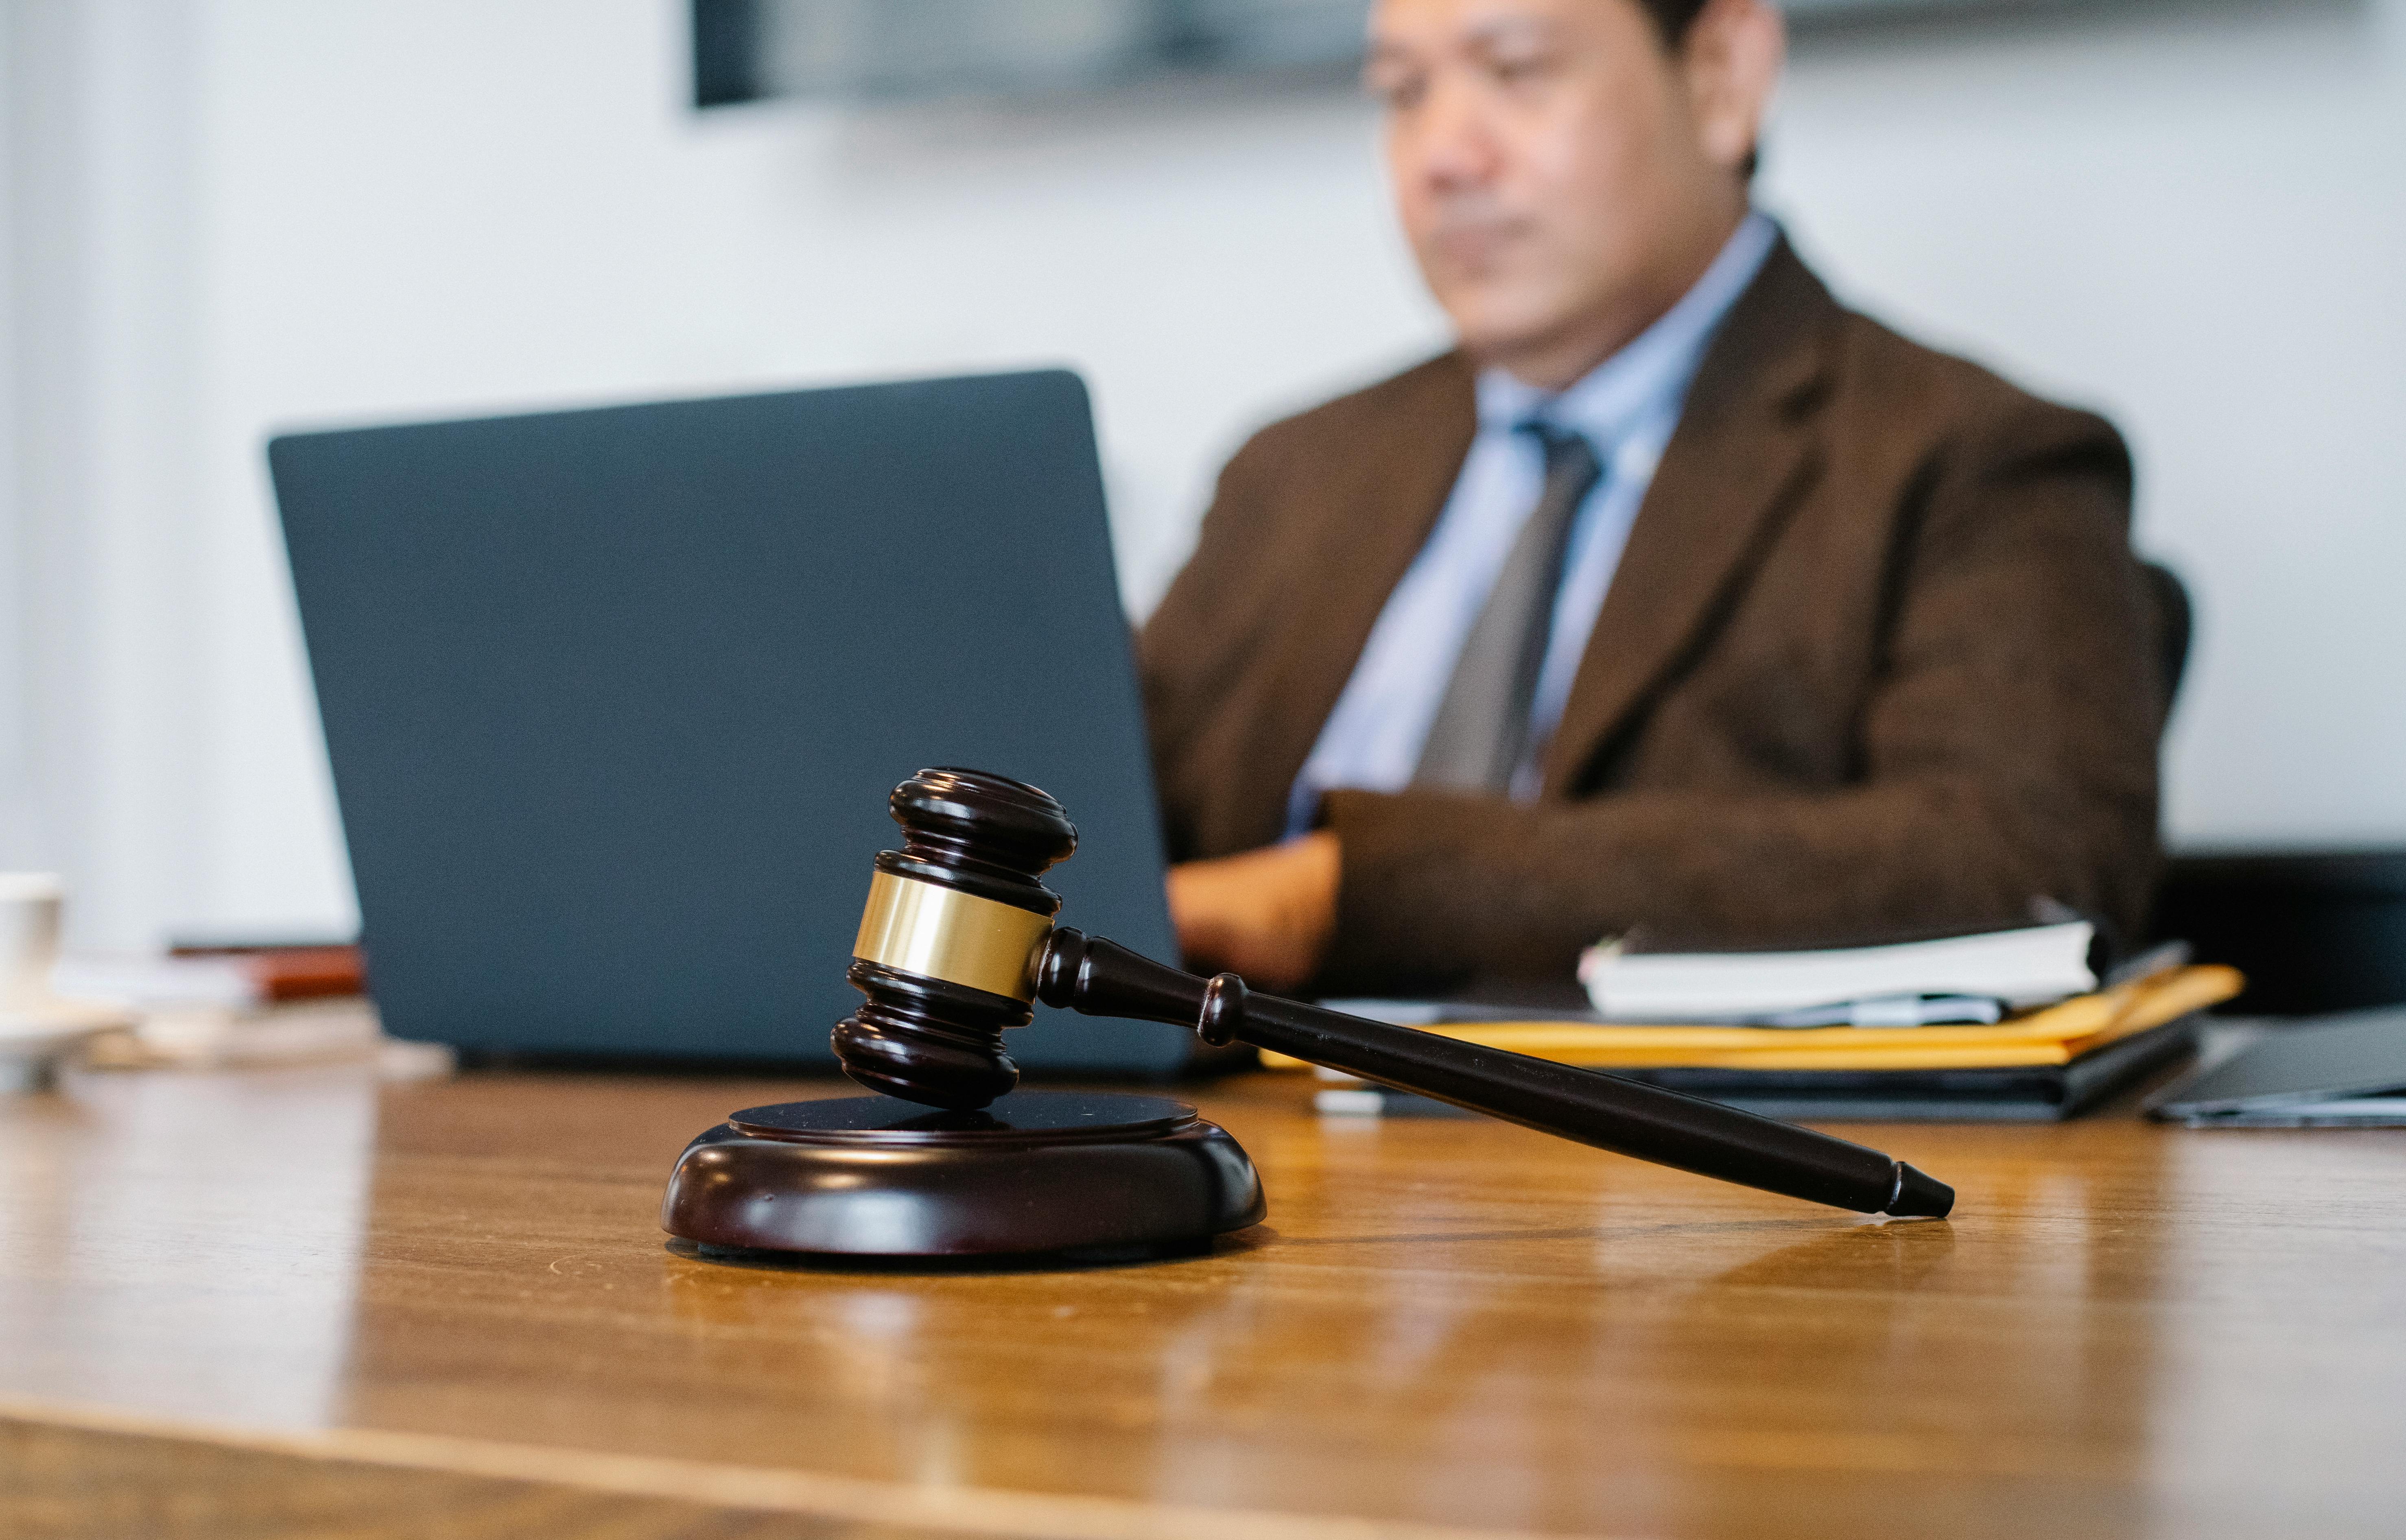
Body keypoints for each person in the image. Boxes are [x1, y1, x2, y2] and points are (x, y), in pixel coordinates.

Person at [1143, 0, 2163, 997]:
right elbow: (1093, 816)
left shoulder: (1968, 456)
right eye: (1402, 92)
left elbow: (2022, 860)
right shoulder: (1291, 474)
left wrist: (1349, 891)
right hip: (1214, 1142)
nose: (1441, 158)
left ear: (1721, 79)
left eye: (1517, 71)